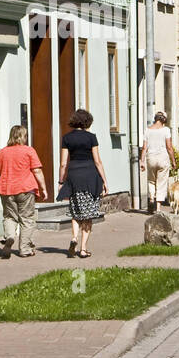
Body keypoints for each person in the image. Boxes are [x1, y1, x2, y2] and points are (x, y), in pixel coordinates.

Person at [57, 109, 108, 258]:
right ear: (87, 121)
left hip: (74, 176)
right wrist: (104, 181)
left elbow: (63, 164)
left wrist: (61, 181)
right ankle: (83, 249)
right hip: (90, 177)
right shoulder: (91, 138)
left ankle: (74, 238)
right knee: (88, 215)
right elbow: (97, 161)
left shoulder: (66, 138)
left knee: (75, 213)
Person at [0, 125, 47, 257]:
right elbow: (37, 170)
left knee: (9, 217)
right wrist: (44, 188)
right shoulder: (29, 151)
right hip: (26, 189)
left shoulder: (3, 152)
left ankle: (10, 236)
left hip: (6, 189)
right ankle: (25, 249)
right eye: (25, 135)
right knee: (27, 219)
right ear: (22, 136)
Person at [140, 112, 175, 213]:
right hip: (162, 158)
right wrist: (173, 160)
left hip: (151, 158)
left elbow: (144, 148)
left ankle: (151, 199)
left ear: (155, 119)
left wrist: (142, 161)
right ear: (164, 120)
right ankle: (158, 208)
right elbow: (169, 147)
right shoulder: (166, 130)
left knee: (151, 180)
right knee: (161, 182)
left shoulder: (147, 130)